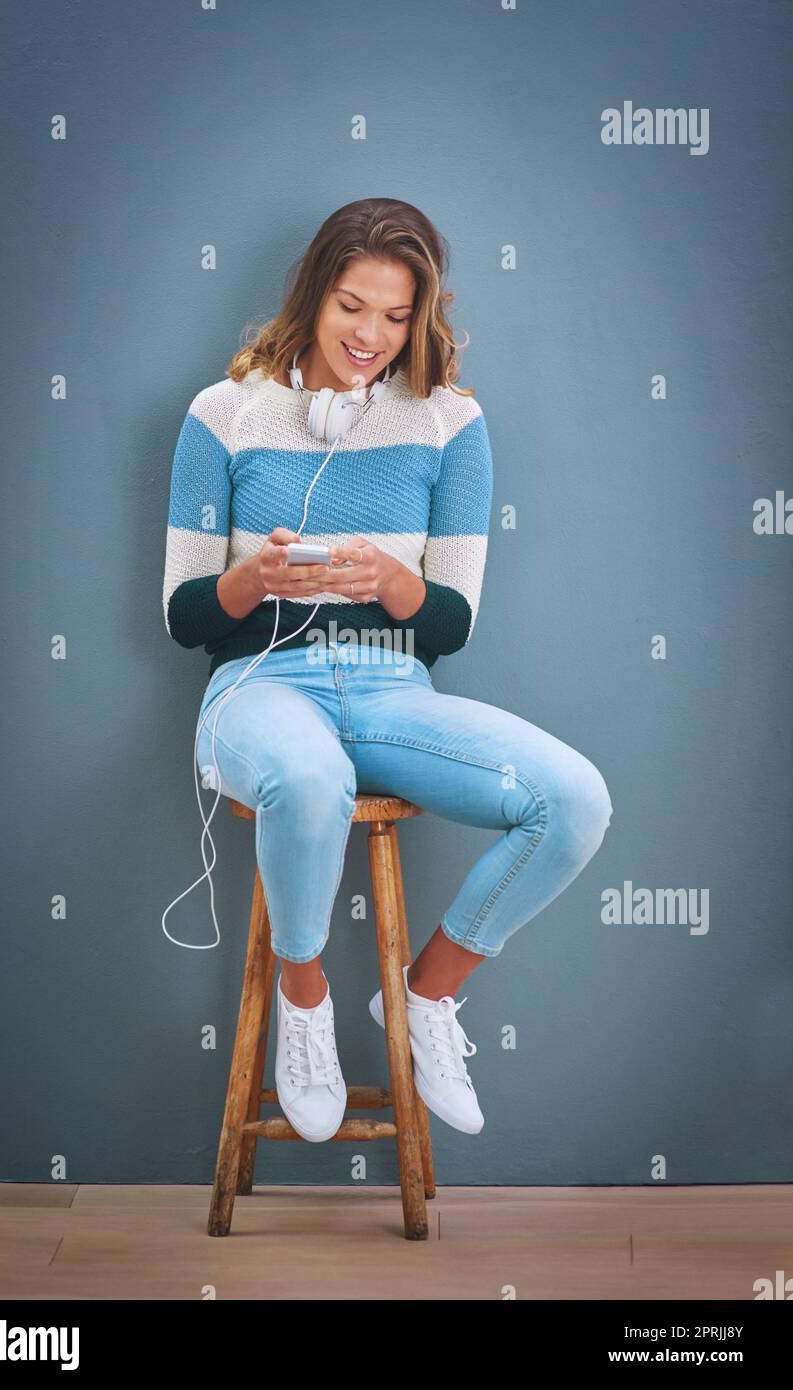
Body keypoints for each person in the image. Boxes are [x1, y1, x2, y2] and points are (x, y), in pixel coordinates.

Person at [161, 197, 613, 1144]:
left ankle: (422, 999)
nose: (371, 335)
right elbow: (183, 614)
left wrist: (398, 585)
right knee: (309, 775)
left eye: (397, 316)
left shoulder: (451, 425)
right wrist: (248, 578)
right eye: (350, 306)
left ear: (423, 318)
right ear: (312, 296)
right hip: (259, 685)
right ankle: (306, 1000)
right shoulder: (224, 412)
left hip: (388, 686)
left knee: (573, 799)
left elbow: (450, 625)